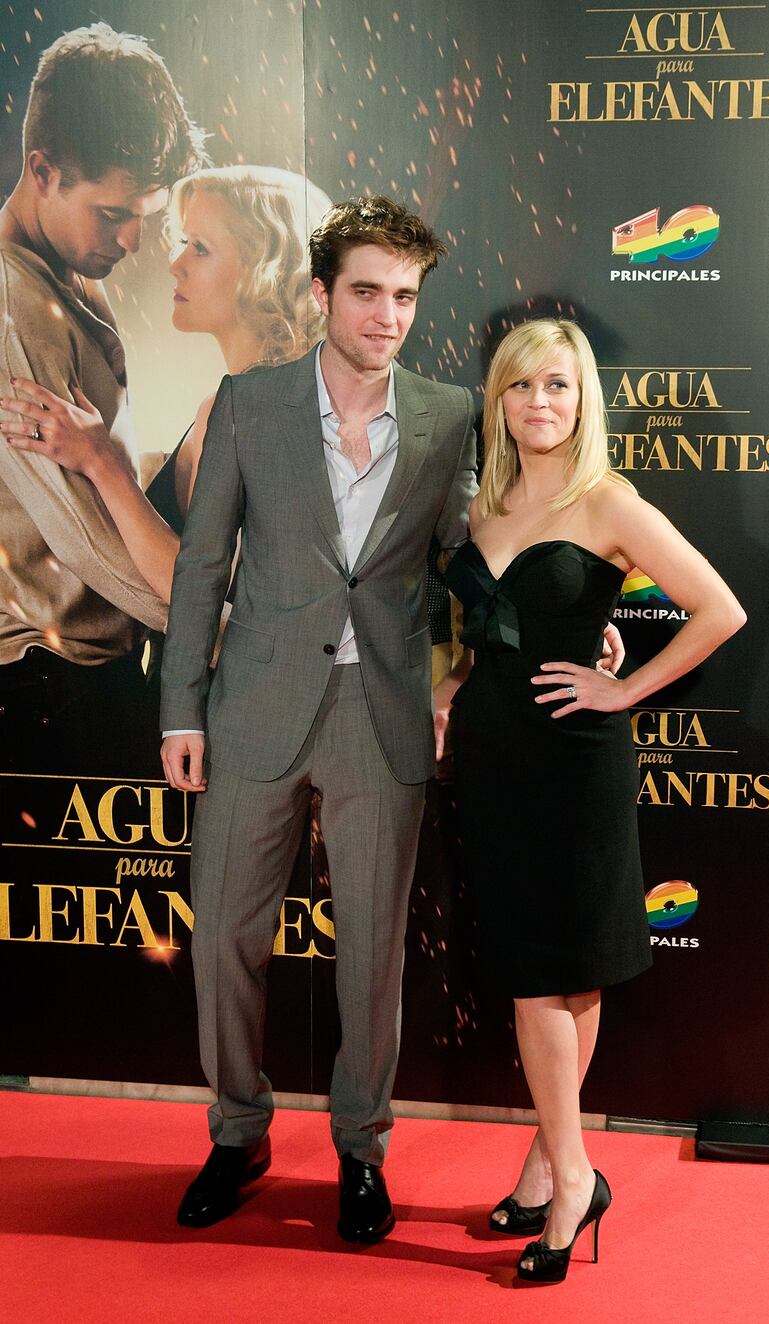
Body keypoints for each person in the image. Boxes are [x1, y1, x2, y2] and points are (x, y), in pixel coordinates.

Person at [158, 195, 477, 1243]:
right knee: (224, 946)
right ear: (318, 294)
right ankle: (238, 1129)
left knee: (371, 954)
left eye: (404, 297)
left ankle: (360, 1147)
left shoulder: (446, 417)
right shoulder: (247, 402)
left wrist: (484, 662)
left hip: (378, 711)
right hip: (252, 704)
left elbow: (470, 566)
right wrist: (180, 712)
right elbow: (202, 569)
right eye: (367, 293)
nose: (387, 316)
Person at [435, 318, 745, 1284]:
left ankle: (571, 1177)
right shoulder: (480, 507)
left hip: (574, 761)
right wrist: (452, 683)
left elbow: (720, 608)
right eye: (524, 386)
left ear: (583, 400)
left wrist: (623, 683)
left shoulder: (606, 500)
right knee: (555, 976)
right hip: (491, 760)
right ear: (500, 399)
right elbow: (483, 628)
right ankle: (545, 1164)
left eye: (559, 387)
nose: (540, 403)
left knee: (558, 973)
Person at [0, 22, 205, 774]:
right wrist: (227, 634)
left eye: (143, 219)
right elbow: (88, 543)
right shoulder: (13, 311)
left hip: (88, 675)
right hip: (45, 688)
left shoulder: (65, 271)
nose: (130, 244)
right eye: (113, 214)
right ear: (42, 169)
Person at [2, 166, 332, 606]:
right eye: (183, 242)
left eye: (200, 248)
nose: (175, 265)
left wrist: (103, 463)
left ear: (264, 270)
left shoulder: (245, 411)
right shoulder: (280, 398)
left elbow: (204, 596)